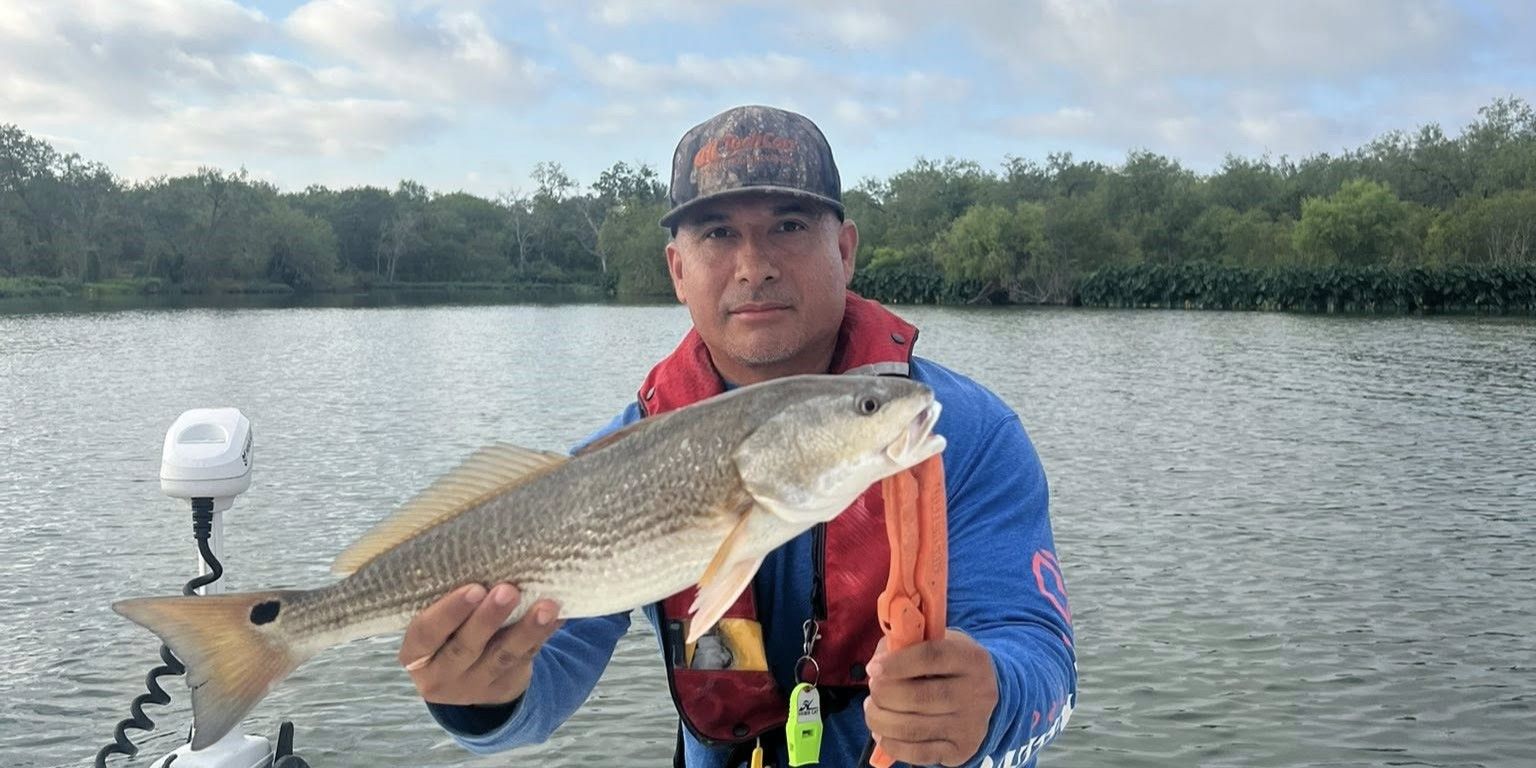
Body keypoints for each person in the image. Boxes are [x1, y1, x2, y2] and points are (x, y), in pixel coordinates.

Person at [399, 105, 1078, 767]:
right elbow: (543, 682)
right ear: (676, 270)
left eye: (787, 225)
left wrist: (993, 697)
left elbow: (1037, 651)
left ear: (844, 250)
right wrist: (479, 700)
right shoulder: (616, 460)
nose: (754, 265)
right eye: (718, 235)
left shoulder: (963, 429)